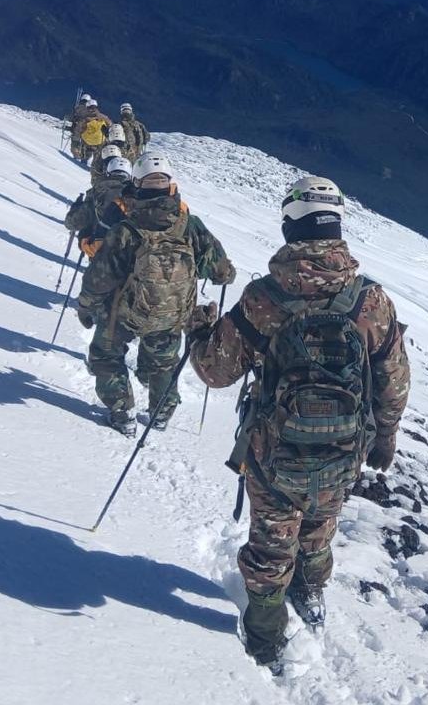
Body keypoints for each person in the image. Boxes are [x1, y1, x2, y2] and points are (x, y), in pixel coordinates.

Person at [189, 176, 410, 674]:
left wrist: (200, 330)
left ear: (290, 225)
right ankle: (310, 595)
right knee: (319, 527)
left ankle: (265, 637)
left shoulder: (264, 299)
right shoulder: (371, 301)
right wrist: (385, 438)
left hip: (273, 453)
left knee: (272, 543)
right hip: (343, 449)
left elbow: (214, 371)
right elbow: (393, 381)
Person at [76, 153, 235, 436]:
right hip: (173, 314)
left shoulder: (126, 230)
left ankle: (122, 412)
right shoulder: (190, 225)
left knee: (105, 354)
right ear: (171, 186)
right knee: (163, 363)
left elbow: (99, 277)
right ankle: (160, 414)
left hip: (125, 313)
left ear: (136, 185)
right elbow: (222, 272)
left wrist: (86, 306)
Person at [64, 156, 132, 259]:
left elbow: (71, 223)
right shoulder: (135, 195)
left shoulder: (96, 192)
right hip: (127, 254)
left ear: (108, 171)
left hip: (98, 252)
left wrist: (76, 207)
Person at [76, 100, 111, 166]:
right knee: (97, 156)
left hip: (86, 142)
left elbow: (78, 129)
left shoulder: (84, 117)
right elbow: (110, 124)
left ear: (87, 107)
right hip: (99, 142)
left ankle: (82, 163)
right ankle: (94, 166)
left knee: (85, 155)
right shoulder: (102, 116)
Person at [66, 93, 93, 160]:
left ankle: (75, 157)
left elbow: (72, 118)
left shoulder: (77, 108)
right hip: (87, 131)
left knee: (75, 143)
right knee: (85, 146)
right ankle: (84, 160)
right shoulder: (91, 110)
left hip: (77, 129)